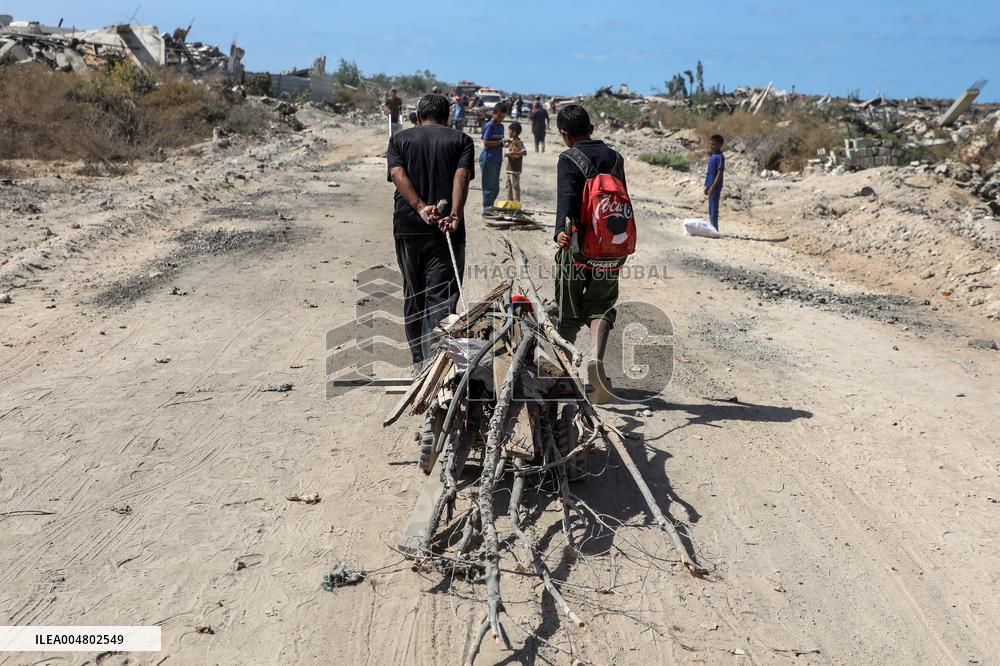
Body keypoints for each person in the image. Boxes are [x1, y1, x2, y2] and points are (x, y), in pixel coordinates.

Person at [387, 94, 475, 375]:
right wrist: (456, 215)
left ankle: (418, 361)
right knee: (443, 296)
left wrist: (420, 207)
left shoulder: (400, 140)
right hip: (446, 229)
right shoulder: (461, 140)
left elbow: (398, 173)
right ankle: (437, 361)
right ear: (447, 116)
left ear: (418, 116)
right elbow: (460, 176)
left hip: (409, 227)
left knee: (414, 294)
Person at [553, 104, 629, 404]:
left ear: (564, 134)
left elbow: (567, 201)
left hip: (577, 246)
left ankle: (565, 373)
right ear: (592, 129)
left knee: (568, 309)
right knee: (601, 305)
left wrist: (561, 230)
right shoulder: (615, 157)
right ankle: (596, 361)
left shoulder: (568, 158)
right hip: (611, 245)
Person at [479, 102, 507, 216]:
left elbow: (500, 143)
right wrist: (500, 143)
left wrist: (504, 144)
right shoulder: (490, 125)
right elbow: (486, 143)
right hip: (488, 158)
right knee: (488, 185)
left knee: (495, 186)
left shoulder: (501, 126)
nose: (501, 119)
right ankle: (486, 209)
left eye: (503, 117)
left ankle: (490, 207)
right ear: (494, 113)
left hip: (497, 158)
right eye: (499, 116)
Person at [704, 134, 725, 231]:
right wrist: (707, 186)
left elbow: (720, 173)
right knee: (710, 207)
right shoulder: (712, 155)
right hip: (710, 185)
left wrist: (713, 186)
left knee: (714, 207)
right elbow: (710, 172)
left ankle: (715, 228)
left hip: (715, 186)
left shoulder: (720, 157)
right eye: (711, 144)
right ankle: (712, 226)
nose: (712, 146)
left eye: (714, 144)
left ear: (720, 145)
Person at [504, 122, 526, 204]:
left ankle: (517, 204)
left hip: (515, 169)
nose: (508, 132)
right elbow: (504, 144)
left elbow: (524, 152)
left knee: (515, 187)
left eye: (509, 130)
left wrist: (513, 154)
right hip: (509, 169)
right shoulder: (511, 141)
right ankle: (510, 203)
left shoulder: (518, 142)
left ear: (514, 132)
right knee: (508, 186)